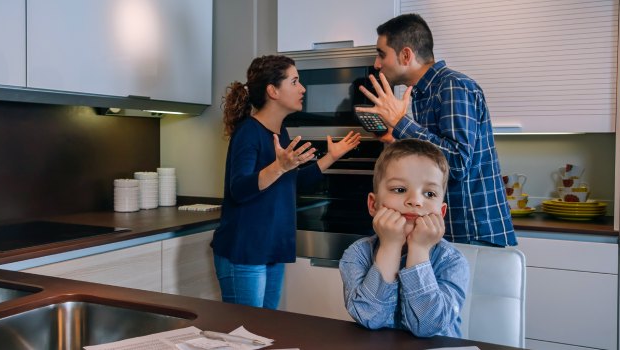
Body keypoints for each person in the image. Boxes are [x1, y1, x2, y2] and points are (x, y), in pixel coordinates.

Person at [210, 55, 361, 309]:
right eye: (294, 82)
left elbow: (291, 183)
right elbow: (239, 189)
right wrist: (279, 166)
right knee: (243, 338)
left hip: (271, 249)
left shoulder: (281, 133)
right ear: (273, 91)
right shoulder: (249, 132)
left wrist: (330, 158)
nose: (302, 89)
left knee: (265, 334)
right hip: (245, 252)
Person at [356, 13, 516, 246]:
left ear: (406, 54)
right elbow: (435, 159)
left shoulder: (453, 86)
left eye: (381, 54)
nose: (377, 64)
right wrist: (396, 138)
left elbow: (458, 162)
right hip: (451, 229)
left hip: (473, 231)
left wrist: (402, 123)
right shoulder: (423, 93)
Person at [339, 138, 469, 337]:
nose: (415, 201)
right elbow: (369, 317)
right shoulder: (357, 254)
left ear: (441, 212)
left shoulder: (452, 260)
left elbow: (429, 326)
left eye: (429, 193)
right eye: (399, 190)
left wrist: (419, 250)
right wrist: (390, 246)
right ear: (373, 205)